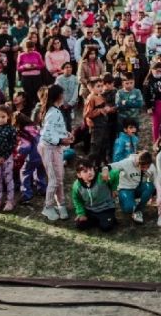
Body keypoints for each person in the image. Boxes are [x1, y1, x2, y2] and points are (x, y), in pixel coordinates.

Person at [38, 84, 73, 221]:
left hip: (56, 149)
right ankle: (48, 207)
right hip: (48, 149)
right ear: (58, 96)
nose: (64, 97)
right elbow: (46, 134)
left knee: (59, 178)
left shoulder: (55, 111)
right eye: (62, 94)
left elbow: (56, 129)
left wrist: (67, 136)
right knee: (53, 180)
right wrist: (61, 141)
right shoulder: (52, 112)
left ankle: (61, 204)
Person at [72, 158, 118, 232]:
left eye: (91, 169)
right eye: (85, 171)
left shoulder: (101, 177)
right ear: (79, 175)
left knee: (106, 227)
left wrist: (114, 189)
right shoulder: (76, 186)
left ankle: (108, 218)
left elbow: (116, 173)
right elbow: (77, 200)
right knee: (79, 225)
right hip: (90, 210)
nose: (90, 172)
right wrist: (81, 213)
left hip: (105, 208)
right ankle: (101, 219)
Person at [112, 151, 156, 224]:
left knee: (150, 186)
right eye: (143, 167)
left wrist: (154, 194)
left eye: (147, 167)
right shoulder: (127, 163)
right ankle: (125, 201)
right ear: (138, 162)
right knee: (128, 208)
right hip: (125, 189)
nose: (145, 169)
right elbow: (110, 166)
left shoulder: (151, 166)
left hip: (138, 187)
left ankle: (138, 210)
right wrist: (105, 171)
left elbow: (156, 180)